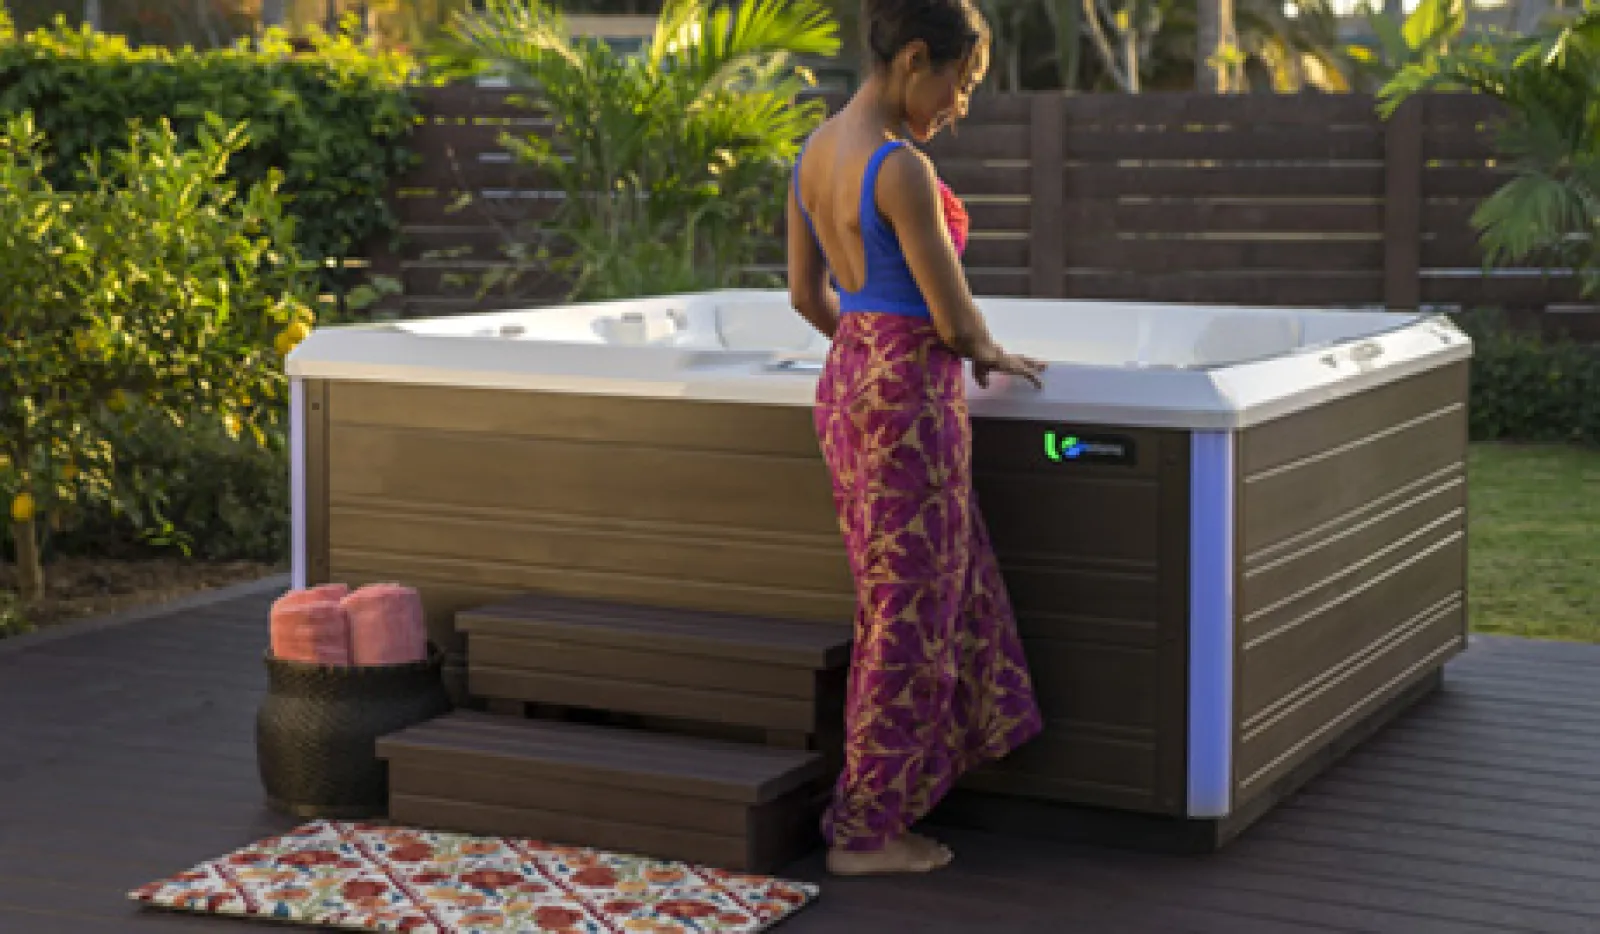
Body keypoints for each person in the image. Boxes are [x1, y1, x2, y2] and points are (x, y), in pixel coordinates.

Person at [786, 0, 1047, 877]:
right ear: (912, 59)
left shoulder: (815, 153)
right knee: (909, 617)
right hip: (909, 408)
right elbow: (955, 316)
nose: (960, 103)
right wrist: (989, 352)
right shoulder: (898, 168)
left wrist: (867, 352)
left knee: (893, 599)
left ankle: (887, 800)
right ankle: (865, 832)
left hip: (849, 386)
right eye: (959, 82)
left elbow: (805, 298)